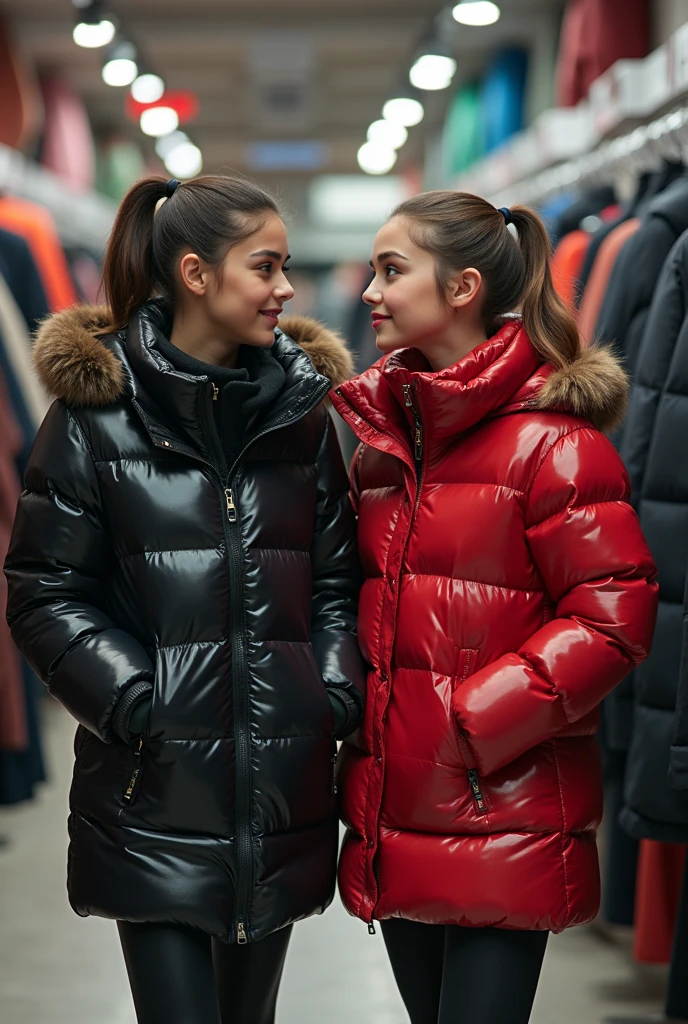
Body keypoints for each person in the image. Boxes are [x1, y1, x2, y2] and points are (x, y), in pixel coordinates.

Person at [4, 174, 365, 1024]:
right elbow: (43, 590)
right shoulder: (97, 416)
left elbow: (339, 582)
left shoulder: (302, 417)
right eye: (265, 266)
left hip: (280, 795)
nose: (286, 287)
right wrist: (136, 700)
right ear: (197, 274)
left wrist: (331, 695)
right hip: (151, 792)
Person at [330, 191, 658, 1024]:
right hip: (399, 814)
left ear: (463, 286)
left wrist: (476, 721)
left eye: (392, 270)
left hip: (501, 805)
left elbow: (613, 616)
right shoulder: (384, 447)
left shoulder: (556, 443)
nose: (369, 291)